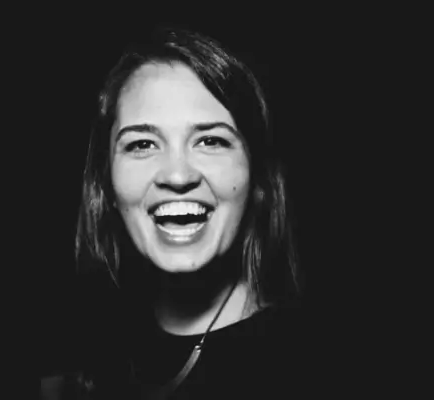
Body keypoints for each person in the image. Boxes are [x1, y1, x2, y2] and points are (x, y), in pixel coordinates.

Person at [43, 26, 306, 400]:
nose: (178, 176)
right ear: (107, 183)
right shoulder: (80, 358)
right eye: (142, 144)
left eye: (211, 141)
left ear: (257, 177)